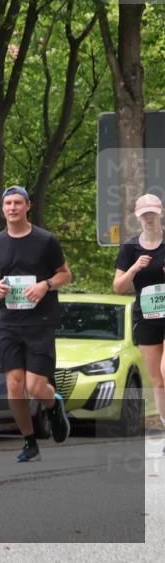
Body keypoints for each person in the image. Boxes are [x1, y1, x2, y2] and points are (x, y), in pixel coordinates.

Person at [0, 185, 72, 462]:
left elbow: (65, 275)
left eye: (17, 203)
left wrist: (45, 285)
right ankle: (29, 442)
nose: (12, 208)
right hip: (9, 322)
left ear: (27, 206)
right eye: (8, 203)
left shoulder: (45, 241)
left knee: (35, 387)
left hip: (40, 322)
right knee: (14, 385)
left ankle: (53, 403)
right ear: (3, 208)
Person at [113, 193, 165, 451]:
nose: (149, 218)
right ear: (138, 217)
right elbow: (118, 288)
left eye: (153, 213)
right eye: (144, 214)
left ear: (160, 213)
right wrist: (134, 268)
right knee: (157, 380)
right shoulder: (130, 248)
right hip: (146, 317)